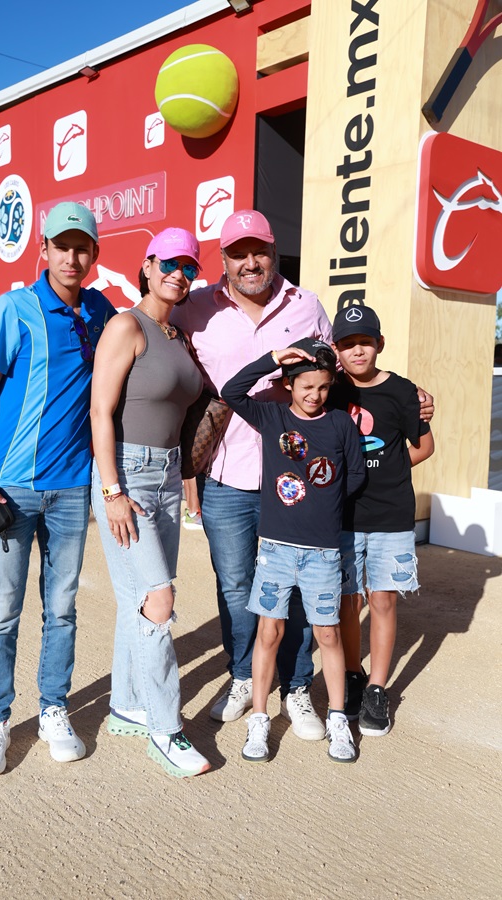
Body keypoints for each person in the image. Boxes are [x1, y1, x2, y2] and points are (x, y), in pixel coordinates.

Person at [0, 201, 116, 777]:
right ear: (43, 249)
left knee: (62, 609)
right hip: (12, 488)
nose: (72, 257)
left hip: (72, 489)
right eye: (62, 246)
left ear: (94, 254)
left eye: (82, 247)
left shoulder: (101, 311)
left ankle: (53, 708)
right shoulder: (16, 308)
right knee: (3, 611)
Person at [171, 211, 334, 741]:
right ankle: (243, 675)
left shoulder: (306, 305)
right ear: (222, 260)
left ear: (274, 250)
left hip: (295, 476)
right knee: (236, 583)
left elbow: (336, 378)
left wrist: (403, 398)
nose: (250, 263)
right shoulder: (195, 307)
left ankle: (297, 684)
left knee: (296, 584)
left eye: (258, 251)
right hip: (224, 475)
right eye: (238, 254)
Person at [90, 227, 211, 779]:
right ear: (146, 265)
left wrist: (187, 479)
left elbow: (188, 416)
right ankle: (166, 728)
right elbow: (100, 412)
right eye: (170, 263)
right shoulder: (126, 325)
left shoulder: (178, 335)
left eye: (189, 266)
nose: (179, 274)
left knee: (135, 599)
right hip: (128, 477)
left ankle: (126, 703)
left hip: (166, 476)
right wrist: (112, 491)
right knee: (158, 599)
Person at [222, 339, 365, 762]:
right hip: (276, 550)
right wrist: (272, 359)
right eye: (306, 387)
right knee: (269, 632)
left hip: (323, 552)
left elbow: (355, 475)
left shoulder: (341, 424)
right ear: (288, 384)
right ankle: (259, 719)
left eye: (323, 387)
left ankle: (337, 720)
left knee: (328, 634)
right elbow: (231, 391)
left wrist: (323, 505)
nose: (314, 395)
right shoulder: (272, 417)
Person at [329, 305, 435, 736]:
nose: (358, 351)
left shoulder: (403, 391)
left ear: (380, 344)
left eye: (365, 342)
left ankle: (377, 688)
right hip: (343, 516)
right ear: (336, 350)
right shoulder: (330, 389)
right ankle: (353, 674)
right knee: (348, 601)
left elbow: (423, 447)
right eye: (348, 344)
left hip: (391, 516)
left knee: (383, 600)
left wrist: (387, 469)